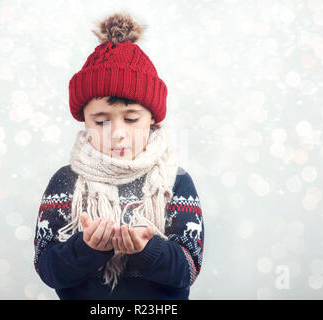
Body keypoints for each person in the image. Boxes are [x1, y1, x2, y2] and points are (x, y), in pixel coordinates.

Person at [33, 11, 204, 300]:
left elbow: (188, 269)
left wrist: (147, 251)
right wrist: (86, 249)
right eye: (101, 122)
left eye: (131, 118)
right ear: (84, 120)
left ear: (153, 119)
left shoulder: (174, 182)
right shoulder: (66, 183)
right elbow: (47, 269)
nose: (117, 133)